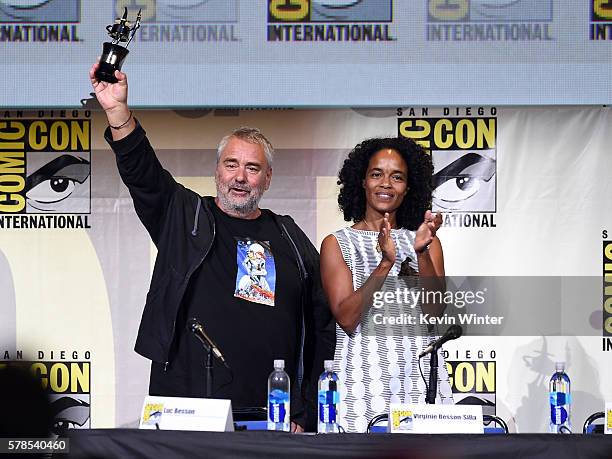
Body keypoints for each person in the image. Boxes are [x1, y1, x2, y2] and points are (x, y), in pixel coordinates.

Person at [89, 65, 334, 431]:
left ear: (267, 178)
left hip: (273, 416)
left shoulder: (289, 236)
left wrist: (307, 410)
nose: (240, 177)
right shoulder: (184, 216)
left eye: (252, 168)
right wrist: (117, 112)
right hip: (187, 413)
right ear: (217, 170)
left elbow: (322, 325)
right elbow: (143, 174)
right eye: (231, 164)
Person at [320, 137, 454, 433]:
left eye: (397, 177)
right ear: (362, 181)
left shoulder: (426, 242)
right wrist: (385, 263)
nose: (386, 184)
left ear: (408, 188)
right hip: (364, 379)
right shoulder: (337, 244)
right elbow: (347, 318)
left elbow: (433, 314)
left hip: (418, 378)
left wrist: (420, 254)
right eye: (376, 174)